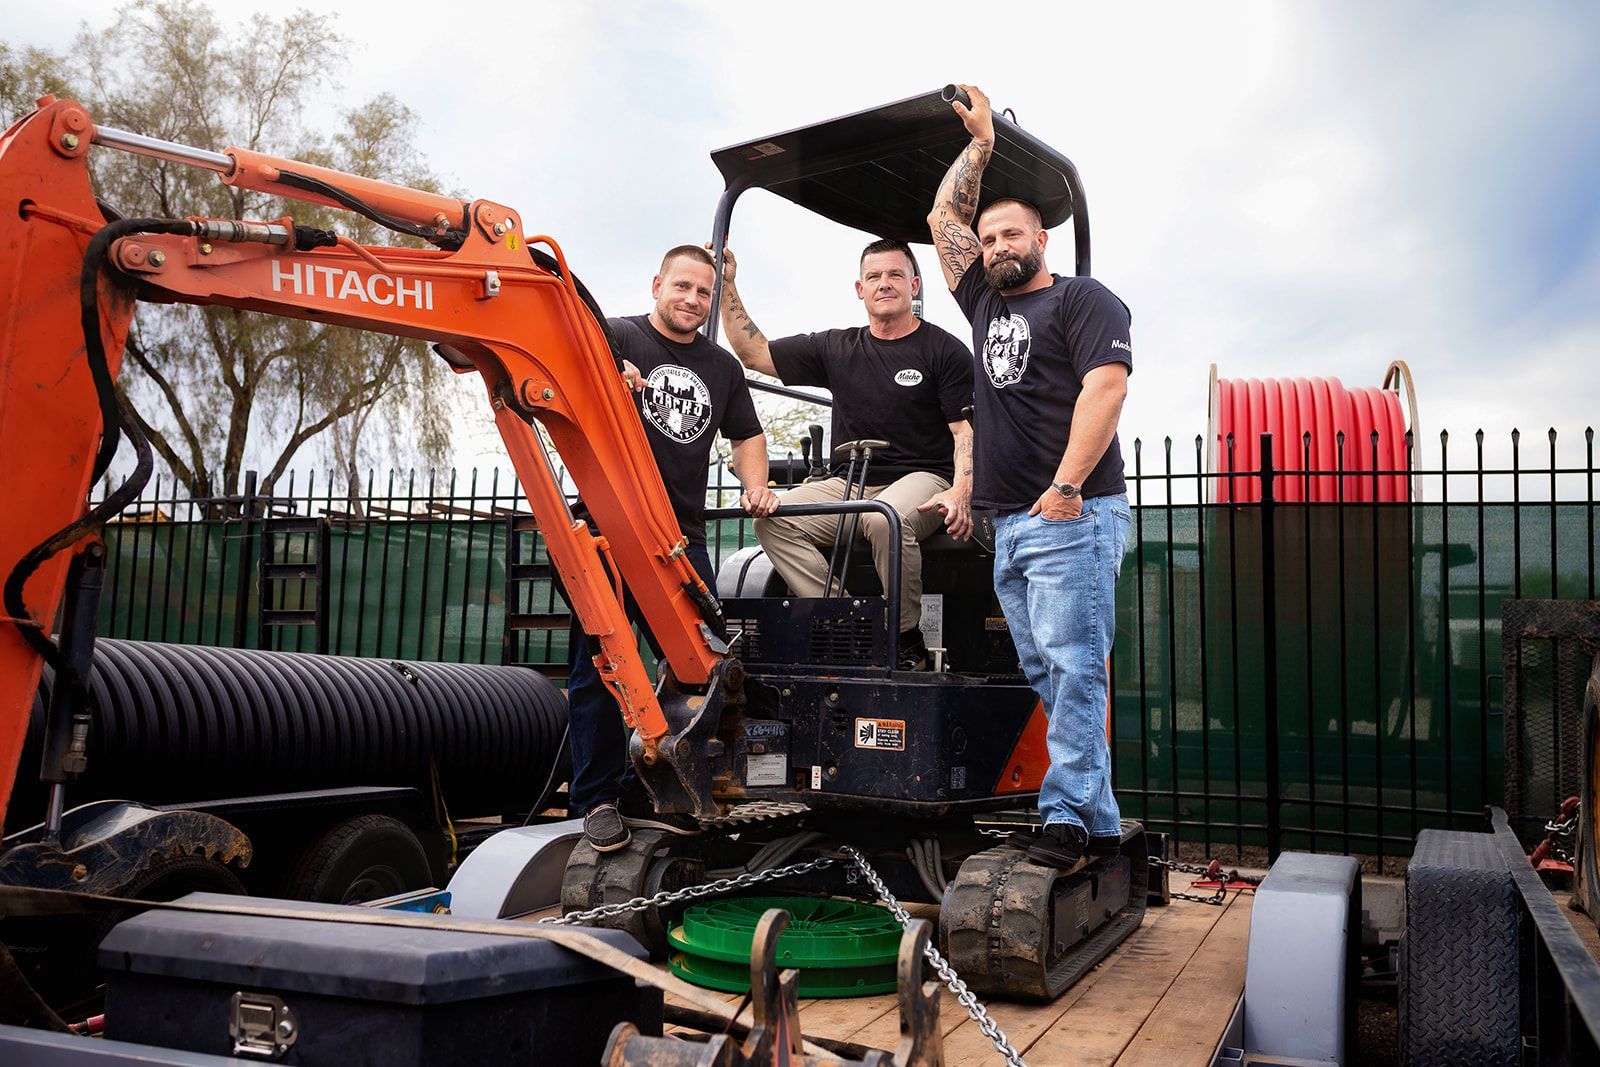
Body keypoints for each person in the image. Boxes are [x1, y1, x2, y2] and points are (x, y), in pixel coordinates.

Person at [927, 85, 1134, 869]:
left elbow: (1106, 388)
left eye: (1010, 232)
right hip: (1011, 521)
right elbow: (940, 223)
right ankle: (1100, 819)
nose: (995, 245)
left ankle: (1067, 814)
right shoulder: (983, 301)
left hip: (1070, 514)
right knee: (1050, 668)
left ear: (1040, 235)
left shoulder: (1083, 301)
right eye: (988, 238)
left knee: (1076, 666)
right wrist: (979, 147)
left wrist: (1068, 487)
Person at [567, 245, 779, 852]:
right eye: (681, 286)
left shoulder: (720, 366)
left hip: (678, 541)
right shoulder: (615, 336)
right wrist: (610, 381)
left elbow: (750, 435)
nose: (691, 299)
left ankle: (680, 788)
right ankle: (598, 800)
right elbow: (561, 383)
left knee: (702, 665)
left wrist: (757, 484)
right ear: (657, 282)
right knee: (601, 670)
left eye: (703, 293)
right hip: (606, 534)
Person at [716, 239, 975, 671]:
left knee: (882, 517)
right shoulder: (836, 347)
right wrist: (726, 286)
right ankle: (847, 620)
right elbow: (753, 353)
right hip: (850, 481)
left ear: (914, 285)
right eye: (874, 276)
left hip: (924, 477)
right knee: (772, 519)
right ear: (860, 288)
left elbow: (964, 431)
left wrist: (963, 491)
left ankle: (906, 637)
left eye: (895, 275)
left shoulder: (943, 351)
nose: (884, 284)